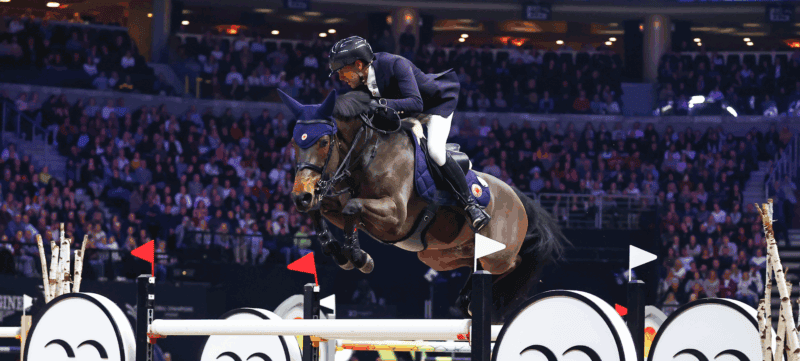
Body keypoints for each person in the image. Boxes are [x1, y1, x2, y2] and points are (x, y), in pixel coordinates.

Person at [327, 36, 490, 231]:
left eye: (342, 71)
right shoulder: (360, 83)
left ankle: (470, 205)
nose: (341, 78)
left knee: (435, 151)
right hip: (405, 115)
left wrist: (378, 104)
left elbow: (416, 103)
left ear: (359, 64)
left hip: (434, 107)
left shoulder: (396, 64)